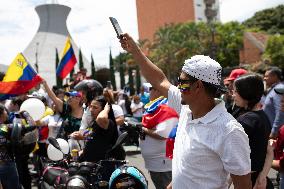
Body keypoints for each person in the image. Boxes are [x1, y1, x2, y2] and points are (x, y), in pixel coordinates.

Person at [119, 33, 251, 189]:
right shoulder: (187, 108)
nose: (178, 86)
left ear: (198, 86)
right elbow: (159, 80)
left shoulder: (229, 131)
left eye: (182, 82)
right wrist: (135, 50)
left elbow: (243, 185)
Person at [232, 74, 274, 188]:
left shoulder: (246, 120)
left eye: (235, 91)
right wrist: (262, 177)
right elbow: (270, 151)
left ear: (246, 92)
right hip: (259, 181)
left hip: (248, 182)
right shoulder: (262, 116)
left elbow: (233, 157)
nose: (233, 95)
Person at [140, 86, 178, 189]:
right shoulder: (154, 106)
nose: (149, 92)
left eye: (151, 89)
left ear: (157, 90)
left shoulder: (166, 107)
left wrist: (142, 129)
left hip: (163, 165)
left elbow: (163, 134)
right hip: (156, 164)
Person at [72, 96, 122, 162]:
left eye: (95, 107)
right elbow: (92, 136)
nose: (91, 110)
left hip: (99, 165)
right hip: (88, 161)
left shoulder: (107, 123)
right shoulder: (94, 123)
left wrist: (106, 109)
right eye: (91, 106)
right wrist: (81, 137)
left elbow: (101, 118)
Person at [0, 104, 21, 189]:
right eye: (5, 110)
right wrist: (24, 114)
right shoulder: (6, 127)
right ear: (1, 114)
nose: (7, 112)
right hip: (7, 165)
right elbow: (31, 126)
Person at [263, 67, 284, 138]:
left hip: (276, 135)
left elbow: (280, 111)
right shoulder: (274, 89)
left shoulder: (279, 89)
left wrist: (274, 131)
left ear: (275, 76)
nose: (264, 78)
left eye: (266, 76)